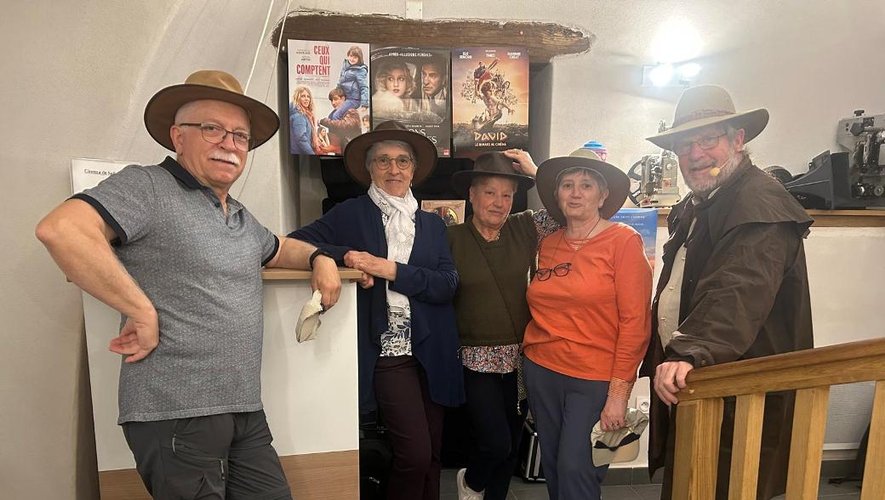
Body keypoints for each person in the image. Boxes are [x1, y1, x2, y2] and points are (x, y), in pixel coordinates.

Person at [35, 70, 342, 499]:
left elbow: (277, 248)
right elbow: (62, 229)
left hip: (243, 409)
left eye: (240, 136)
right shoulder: (147, 186)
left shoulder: (237, 213)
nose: (229, 144)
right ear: (178, 137)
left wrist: (318, 257)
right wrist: (140, 309)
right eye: (212, 129)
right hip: (176, 413)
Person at [640, 84, 814, 500]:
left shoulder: (758, 203)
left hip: (737, 393)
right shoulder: (701, 202)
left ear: (738, 139)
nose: (695, 154)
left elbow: (737, 288)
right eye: (685, 145)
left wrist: (689, 351)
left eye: (708, 139)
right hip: (700, 386)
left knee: (725, 485)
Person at [287, 121, 464, 500]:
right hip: (388, 352)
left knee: (433, 455)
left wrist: (389, 269)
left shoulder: (432, 224)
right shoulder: (350, 213)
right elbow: (294, 243)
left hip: (434, 347)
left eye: (402, 161)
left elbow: (447, 284)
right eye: (383, 160)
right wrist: (343, 257)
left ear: (414, 170)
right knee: (414, 455)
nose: (393, 169)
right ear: (369, 168)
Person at [522, 151, 652, 500]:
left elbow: (635, 323)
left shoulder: (623, 241)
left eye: (586, 185)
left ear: (603, 195)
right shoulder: (548, 243)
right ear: (557, 194)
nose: (576, 193)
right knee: (552, 466)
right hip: (542, 371)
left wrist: (618, 396)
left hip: (593, 378)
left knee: (577, 469)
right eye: (567, 185)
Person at [446, 151, 559, 500]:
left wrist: (536, 172)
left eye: (507, 195)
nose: (499, 202)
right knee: (495, 442)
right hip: (474, 357)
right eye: (490, 192)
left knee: (511, 446)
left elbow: (570, 210)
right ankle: (471, 483)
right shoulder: (449, 238)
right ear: (472, 195)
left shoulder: (524, 227)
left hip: (521, 357)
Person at [319, 86, 362, 154]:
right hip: (342, 152)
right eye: (331, 100)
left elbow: (345, 125)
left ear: (343, 98)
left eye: (335, 99)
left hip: (352, 150)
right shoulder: (333, 115)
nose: (333, 103)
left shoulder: (352, 111)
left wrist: (326, 122)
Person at [332, 45, 369, 120]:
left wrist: (364, 104)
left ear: (359, 58)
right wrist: (336, 92)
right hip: (345, 98)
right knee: (331, 116)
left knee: (336, 116)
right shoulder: (345, 65)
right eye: (351, 56)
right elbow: (341, 81)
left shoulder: (360, 70)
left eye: (355, 57)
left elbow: (364, 87)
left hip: (354, 99)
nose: (352, 59)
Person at [289, 85, 320, 155]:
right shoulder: (299, 116)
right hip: (300, 154)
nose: (306, 99)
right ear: (297, 98)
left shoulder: (306, 115)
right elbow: (301, 138)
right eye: (303, 96)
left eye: (308, 96)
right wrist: (312, 154)